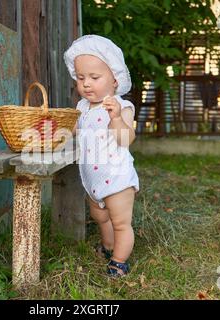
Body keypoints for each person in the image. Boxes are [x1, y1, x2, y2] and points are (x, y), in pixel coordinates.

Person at [64, 35, 139, 277]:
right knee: (100, 216)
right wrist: (59, 130)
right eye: (81, 78)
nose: (86, 84)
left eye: (94, 78)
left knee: (119, 222)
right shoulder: (82, 108)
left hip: (117, 179)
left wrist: (116, 118)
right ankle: (108, 247)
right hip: (93, 180)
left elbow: (125, 139)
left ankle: (119, 261)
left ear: (115, 80)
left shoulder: (120, 106)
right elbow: (72, 131)